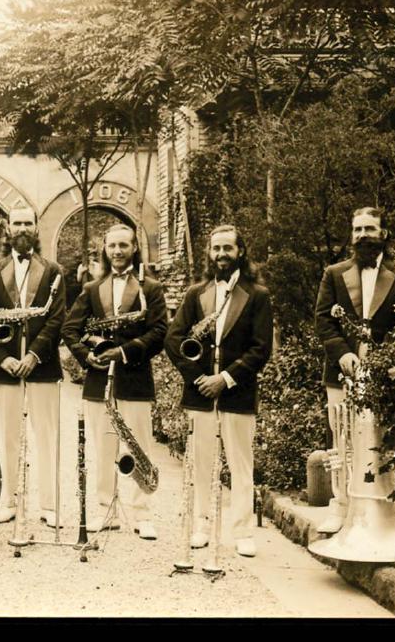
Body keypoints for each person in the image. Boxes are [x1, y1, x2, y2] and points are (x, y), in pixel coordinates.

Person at [164, 224, 272, 558]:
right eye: (216, 248)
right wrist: (198, 377)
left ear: (241, 251)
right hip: (200, 392)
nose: (221, 254)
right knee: (200, 461)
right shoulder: (196, 293)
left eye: (228, 248)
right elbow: (173, 338)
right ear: (210, 253)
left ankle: (241, 532)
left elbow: (260, 348)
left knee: (241, 464)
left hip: (237, 392)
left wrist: (225, 378)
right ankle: (201, 524)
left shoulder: (257, 295)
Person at [313, 207, 395, 534]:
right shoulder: (334, 273)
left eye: (369, 229)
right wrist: (342, 353)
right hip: (341, 371)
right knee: (340, 435)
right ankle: (339, 505)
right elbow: (323, 320)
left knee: (383, 437)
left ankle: (387, 510)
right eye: (357, 229)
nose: (362, 236)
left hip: (385, 374)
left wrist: (386, 362)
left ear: (383, 234)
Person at [61, 223, 167, 538]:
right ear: (105, 251)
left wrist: (123, 352)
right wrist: (86, 355)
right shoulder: (93, 288)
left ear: (135, 248)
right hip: (98, 381)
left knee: (139, 447)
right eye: (112, 246)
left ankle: (142, 514)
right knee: (104, 448)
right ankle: (106, 509)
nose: (118, 251)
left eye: (124, 245)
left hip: (134, 379)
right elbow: (70, 329)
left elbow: (160, 333)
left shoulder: (152, 289)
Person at [0, 206, 66, 526]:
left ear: (36, 229)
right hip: (6, 367)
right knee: (8, 435)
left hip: (42, 365)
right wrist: (4, 358)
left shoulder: (54, 270)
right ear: (7, 228)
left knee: (47, 435)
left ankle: (50, 506)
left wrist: (33, 355)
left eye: (28, 223)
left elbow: (57, 319)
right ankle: (9, 501)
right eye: (17, 223)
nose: (22, 228)